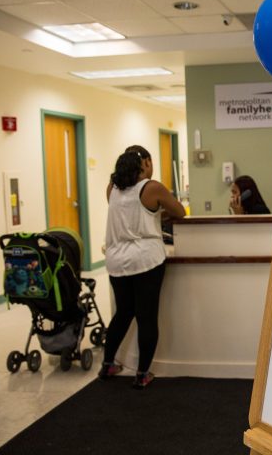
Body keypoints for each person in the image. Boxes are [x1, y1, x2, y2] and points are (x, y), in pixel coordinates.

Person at [100, 145, 185, 389]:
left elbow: (126, 214)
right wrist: (159, 213)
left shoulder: (112, 189)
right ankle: (142, 374)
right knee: (146, 316)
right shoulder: (152, 188)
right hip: (146, 260)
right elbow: (179, 212)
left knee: (123, 313)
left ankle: (107, 364)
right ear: (145, 163)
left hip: (117, 261)